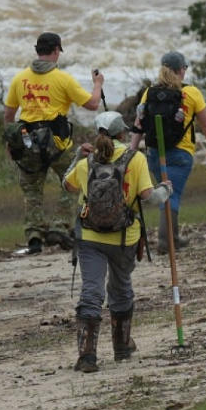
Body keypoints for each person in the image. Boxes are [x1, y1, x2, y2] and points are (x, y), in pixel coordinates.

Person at [61, 111, 169, 372]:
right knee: (120, 288)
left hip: (90, 237)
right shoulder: (136, 158)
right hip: (124, 237)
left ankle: (87, 356)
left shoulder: (87, 162)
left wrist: (77, 156)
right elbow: (149, 197)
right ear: (122, 133)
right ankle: (121, 347)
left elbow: (67, 185)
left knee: (91, 291)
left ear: (98, 133)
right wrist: (166, 189)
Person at [4, 31, 105, 253]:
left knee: (32, 191)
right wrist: (97, 83)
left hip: (28, 143)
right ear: (56, 50)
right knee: (74, 180)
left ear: (37, 51)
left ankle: (34, 237)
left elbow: (9, 115)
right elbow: (92, 104)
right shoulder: (63, 79)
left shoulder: (19, 79)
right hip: (58, 144)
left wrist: (10, 143)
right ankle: (60, 225)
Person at [135, 51, 206, 254]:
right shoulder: (191, 93)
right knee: (171, 195)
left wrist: (132, 150)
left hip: (155, 153)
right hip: (180, 154)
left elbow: (139, 124)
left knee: (166, 191)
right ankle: (166, 242)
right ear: (181, 70)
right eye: (185, 68)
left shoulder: (150, 92)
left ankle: (172, 238)